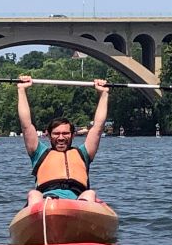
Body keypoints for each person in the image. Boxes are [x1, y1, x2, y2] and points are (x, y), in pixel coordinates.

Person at [16, 75, 109, 205]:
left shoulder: (84, 153)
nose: (61, 138)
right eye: (56, 134)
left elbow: (98, 127)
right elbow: (26, 125)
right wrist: (22, 90)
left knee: (90, 193)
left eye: (65, 133)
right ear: (48, 135)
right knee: (33, 194)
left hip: (78, 201)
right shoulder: (39, 153)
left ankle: (79, 217)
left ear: (72, 135)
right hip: (46, 201)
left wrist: (103, 93)